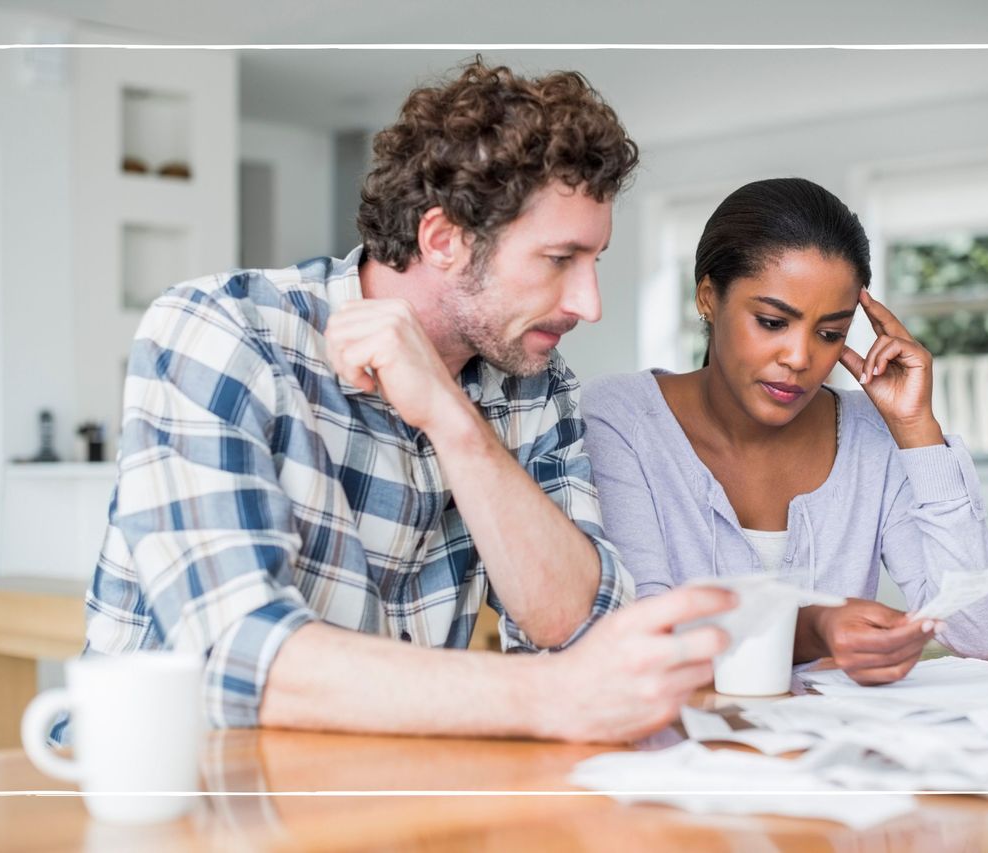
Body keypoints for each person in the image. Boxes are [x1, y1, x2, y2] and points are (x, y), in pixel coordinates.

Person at [65, 59, 734, 745]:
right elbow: (239, 656)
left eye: (594, 262)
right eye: (559, 259)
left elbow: (577, 625)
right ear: (444, 239)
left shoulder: (534, 382)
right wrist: (549, 697)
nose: (587, 304)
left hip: (369, 793)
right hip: (171, 791)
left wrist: (452, 419)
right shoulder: (222, 330)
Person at [582, 177, 988, 687]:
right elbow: (640, 634)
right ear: (707, 298)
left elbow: (982, 633)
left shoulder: (871, 435)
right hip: (676, 755)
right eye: (770, 322)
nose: (801, 358)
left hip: (834, 757)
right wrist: (811, 628)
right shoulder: (621, 418)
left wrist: (916, 429)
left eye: (830, 333)